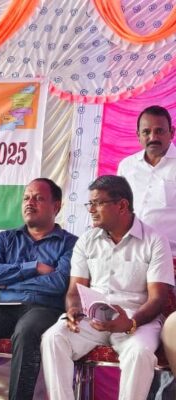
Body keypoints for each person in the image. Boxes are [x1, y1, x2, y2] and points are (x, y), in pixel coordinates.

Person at [41, 175, 174, 400]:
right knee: (53, 338)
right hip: (93, 318)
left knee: (139, 353)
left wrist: (130, 323)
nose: (91, 210)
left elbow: (157, 298)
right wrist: (73, 309)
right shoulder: (87, 240)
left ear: (122, 205)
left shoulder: (154, 240)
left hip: (137, 320)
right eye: (89, 203)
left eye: (97, 203)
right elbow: (74, 290)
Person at [0, 178, 78, 400]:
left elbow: (58, 283)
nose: (30, 203)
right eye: (26, 198)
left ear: (56, 206)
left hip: (45, 309)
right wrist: (34, 267)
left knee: (26, 331)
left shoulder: (70, 243)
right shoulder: (5, 239)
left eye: (38, 198)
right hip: (5, 307)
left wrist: (9, 280)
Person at [117, 105, 176, 258]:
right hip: (130, 254)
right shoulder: (127, 166)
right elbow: (118, 209)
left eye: (159, 131)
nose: (153, 137)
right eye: (146, 132)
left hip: (169, 256)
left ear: (172, 132)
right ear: (138, 135)